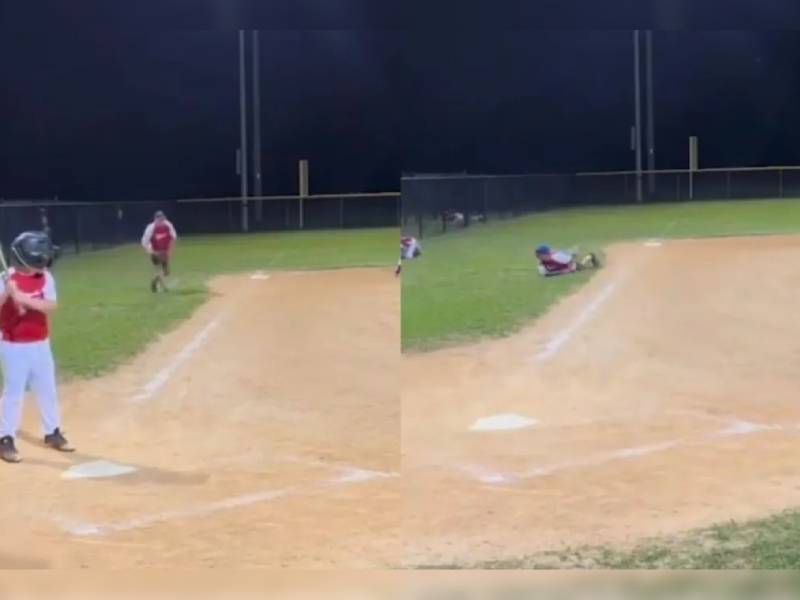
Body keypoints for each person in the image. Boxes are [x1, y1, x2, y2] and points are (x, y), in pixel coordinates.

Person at [0, 231, 73, 463]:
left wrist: (24, 299)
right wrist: (7, 294)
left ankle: (52, 432)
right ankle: (5, 438)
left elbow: (50, 305)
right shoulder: (6, 280)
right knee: (14, 392)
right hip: (14, 345)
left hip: (41, 343)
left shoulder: (45, 278)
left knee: (47, 389)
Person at [141, 210, 178, 292]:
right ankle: (164, 287)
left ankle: (155, 280)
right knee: (158, 268)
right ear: (155, 219)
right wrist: (151, 252)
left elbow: (173, 238)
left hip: (165, 250)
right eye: (159, 219)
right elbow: (144, 242)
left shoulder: (168, 225)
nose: (161, 221)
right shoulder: (150, 228)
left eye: (162, 218)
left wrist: (170, 251)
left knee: (166, 272)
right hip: (155, 250)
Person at [534, 244, 599, 277]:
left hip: (570, 263)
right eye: (538, 255)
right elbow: (546, 274)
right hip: (563, 266)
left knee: (584, 267)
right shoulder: (541, 263)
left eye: (540, 254)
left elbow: (571, 261)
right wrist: (562, 272)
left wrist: (570, 269)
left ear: (546, 254)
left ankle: (590, 256)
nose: (538, 256)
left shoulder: (556, 256)